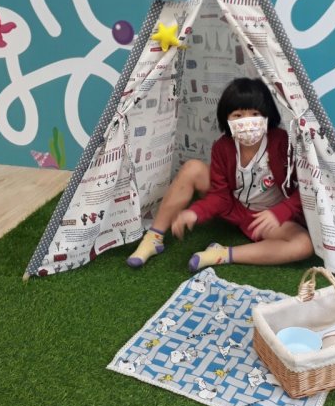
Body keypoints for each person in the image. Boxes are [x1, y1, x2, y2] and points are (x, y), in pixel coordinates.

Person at [127, 77, 314, 272]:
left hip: (268, 218)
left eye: (255, 114)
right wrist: (195, 212)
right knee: (192, 168)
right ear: (227, 119)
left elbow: (308, 186)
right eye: (238, 115)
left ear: (267, 115)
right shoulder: (222, 147)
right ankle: (154, 237)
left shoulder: (284, 142)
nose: (247, 122)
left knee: (303, 245)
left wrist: (281, 212)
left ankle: (221, 254)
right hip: (234, 207)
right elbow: (220, 196)